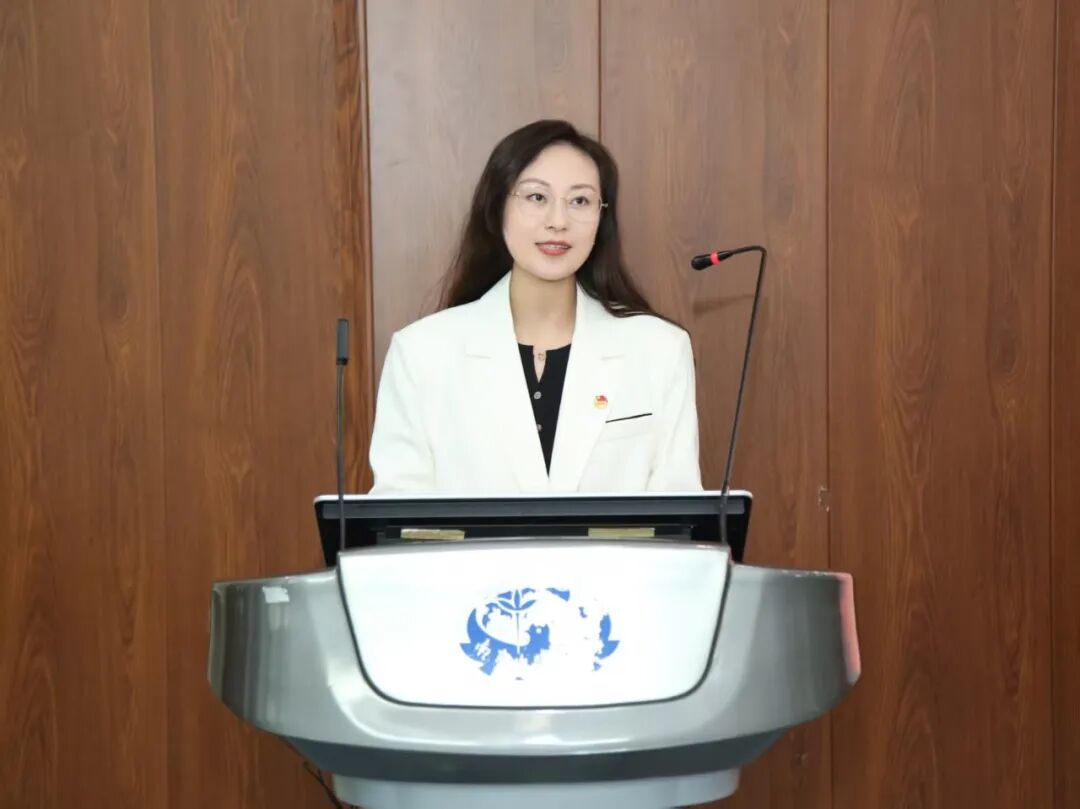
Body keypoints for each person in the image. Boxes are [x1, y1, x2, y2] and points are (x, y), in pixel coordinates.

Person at [368, 119, 702, 495]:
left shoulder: (660, 349)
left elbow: (680, 514)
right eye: (537, 197)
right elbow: (398, 515)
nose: (558, 222)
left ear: (601, 217)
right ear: (497, 207)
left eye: (580, 201)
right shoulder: (421, 353)